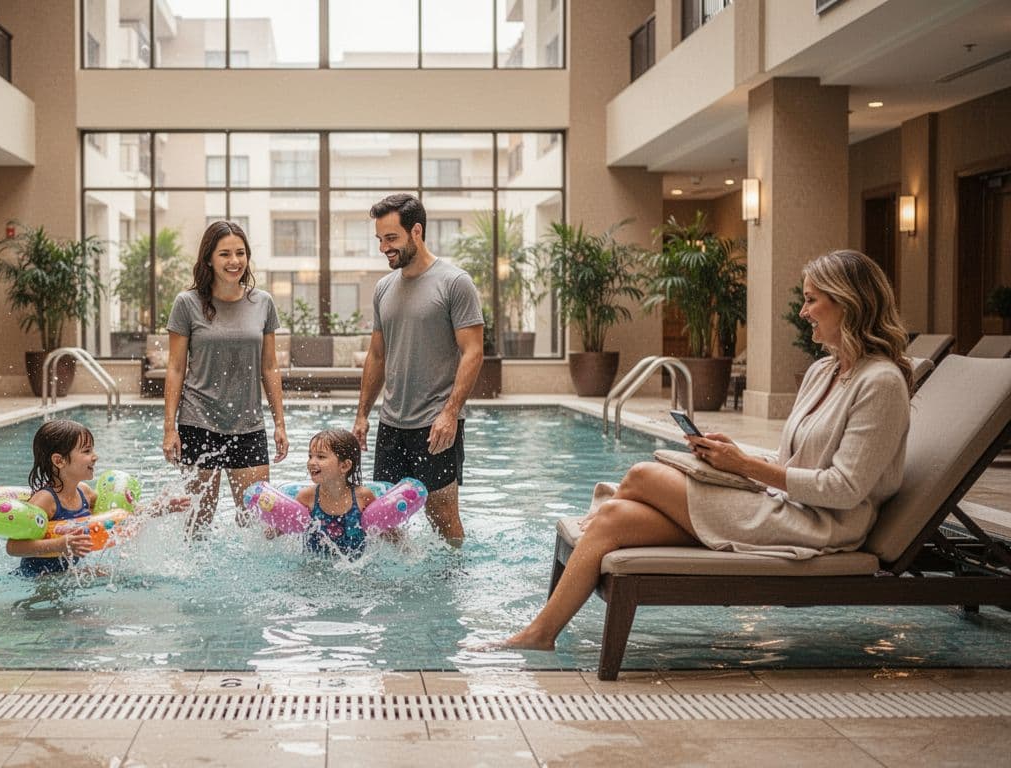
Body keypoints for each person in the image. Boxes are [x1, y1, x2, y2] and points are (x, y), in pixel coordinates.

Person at [505, 249, 913, 649]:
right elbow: (793, 462)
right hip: (781, 503)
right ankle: (539, 635)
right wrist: (735, 458)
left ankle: (586, 537)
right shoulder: (824, 370)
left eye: (811, 300)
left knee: (642, 476)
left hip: (819, 525)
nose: (803, 311)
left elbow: (845, 489)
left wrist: (746, 466)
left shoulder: (880, 382)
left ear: (847, 303)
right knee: (615, 518)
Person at [353, 193, 484, 546]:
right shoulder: (383, 288)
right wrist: (362, 414)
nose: (384, 247)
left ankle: (453, 573)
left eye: (391, 238)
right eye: (380, 239)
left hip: (435, 423)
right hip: (391, 422)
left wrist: (450, 413)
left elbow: (473, 352)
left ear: (416, 231)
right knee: (381, 518)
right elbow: (377, 355)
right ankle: (399, 574)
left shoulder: (455, 282)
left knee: (441, 513)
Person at [163, 220, 288, 533]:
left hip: (248, 424)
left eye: (240, 253)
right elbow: (176, 368)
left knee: (258, 523)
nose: (234, 261)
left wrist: (280, 424)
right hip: (197, 422)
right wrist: (169, 428)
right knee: (198, 523)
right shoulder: (187, 304)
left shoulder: (262, 302)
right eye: (225, 254)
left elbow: (270, 367)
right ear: (209, 259)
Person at [8, 419, 98, 577]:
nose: (95, 457)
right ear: (59, 461)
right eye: (86, 451)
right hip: (37, 579)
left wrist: (140, 513)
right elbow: (13, 547)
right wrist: (58, 545)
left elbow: (109, 511)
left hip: (66, 574)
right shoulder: (45, 500)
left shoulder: (85, 492)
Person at [291, 428, 382, 559]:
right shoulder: (306, 497)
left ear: (344, 466)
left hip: (355, 566)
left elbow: (384, 529)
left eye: (321, 457)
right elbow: (282, 527)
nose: (311, 462)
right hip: (312, 566)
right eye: (310, 456)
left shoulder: (363, 497)